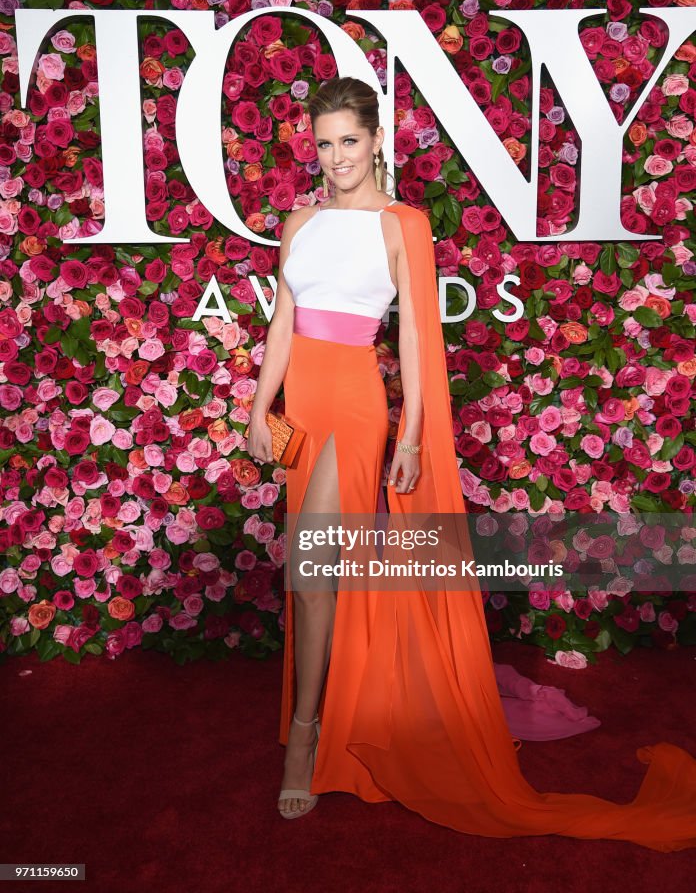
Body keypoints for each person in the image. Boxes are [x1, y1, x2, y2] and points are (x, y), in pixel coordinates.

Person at [245, 77, 696, 849]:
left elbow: (417, 337)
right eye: (323, 143)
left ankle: (305, 734)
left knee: (311, 571)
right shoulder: (298, 222)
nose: (335, 156)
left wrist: (413, 434)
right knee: (316, 576)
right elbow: (283, 319)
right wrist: (259, 407)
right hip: (300, 405)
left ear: (376, 140)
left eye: (348, 140)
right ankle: (332, 713)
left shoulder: (403, 225)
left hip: (354, 405)